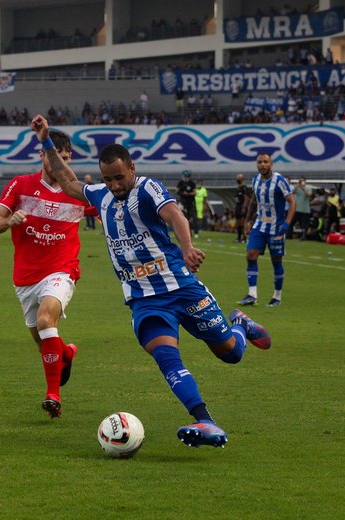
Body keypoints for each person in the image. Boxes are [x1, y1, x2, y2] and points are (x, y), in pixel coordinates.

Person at [30, 114, 271, 448]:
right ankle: (206, 420)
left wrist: (187, 248)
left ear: (131, 167)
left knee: (230, 354)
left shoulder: (147, 187)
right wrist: (45, 141)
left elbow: (174, 214)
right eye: (107, 179)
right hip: (145, 300)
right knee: (166, 356)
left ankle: (240, 327)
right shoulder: (100, 196)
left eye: (118, 177)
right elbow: (69, 181)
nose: (114, 185)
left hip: (181, 287)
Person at [0, 130, 96, 419]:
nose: (62, 162)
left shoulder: (77, 193)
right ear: (43, 156)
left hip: (61, 269)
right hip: (25, 277)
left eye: (67, 158)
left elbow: (112, 211)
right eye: (57, 157)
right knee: (42, 340)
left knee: (47, 319)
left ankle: (53, 395)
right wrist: (10, 220)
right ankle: (66, 354)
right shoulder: (21, 186)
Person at [239, 152, 296, 308]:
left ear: (271, 164)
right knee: (250, 255)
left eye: (265, 162)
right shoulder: (256, 179)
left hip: (276, 226)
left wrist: (287, 222)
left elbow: (292, 201)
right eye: (260, 162)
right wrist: (247, 220)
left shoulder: (279, 180)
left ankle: (277, 296)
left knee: (276, 260)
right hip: (259, 224)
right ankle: (252, 295)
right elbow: (253, 201)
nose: (262, 165)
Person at [233, 174, 252, 243]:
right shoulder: (237, 188)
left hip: (242, 207)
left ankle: (245, 238)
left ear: (242, 179)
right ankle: (238, 238)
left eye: (238, 178)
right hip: (238, 207)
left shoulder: (244, 188)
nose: (237, 179)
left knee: (243, 223)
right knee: (238, 223)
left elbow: (246, 198)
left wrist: (244, 207)